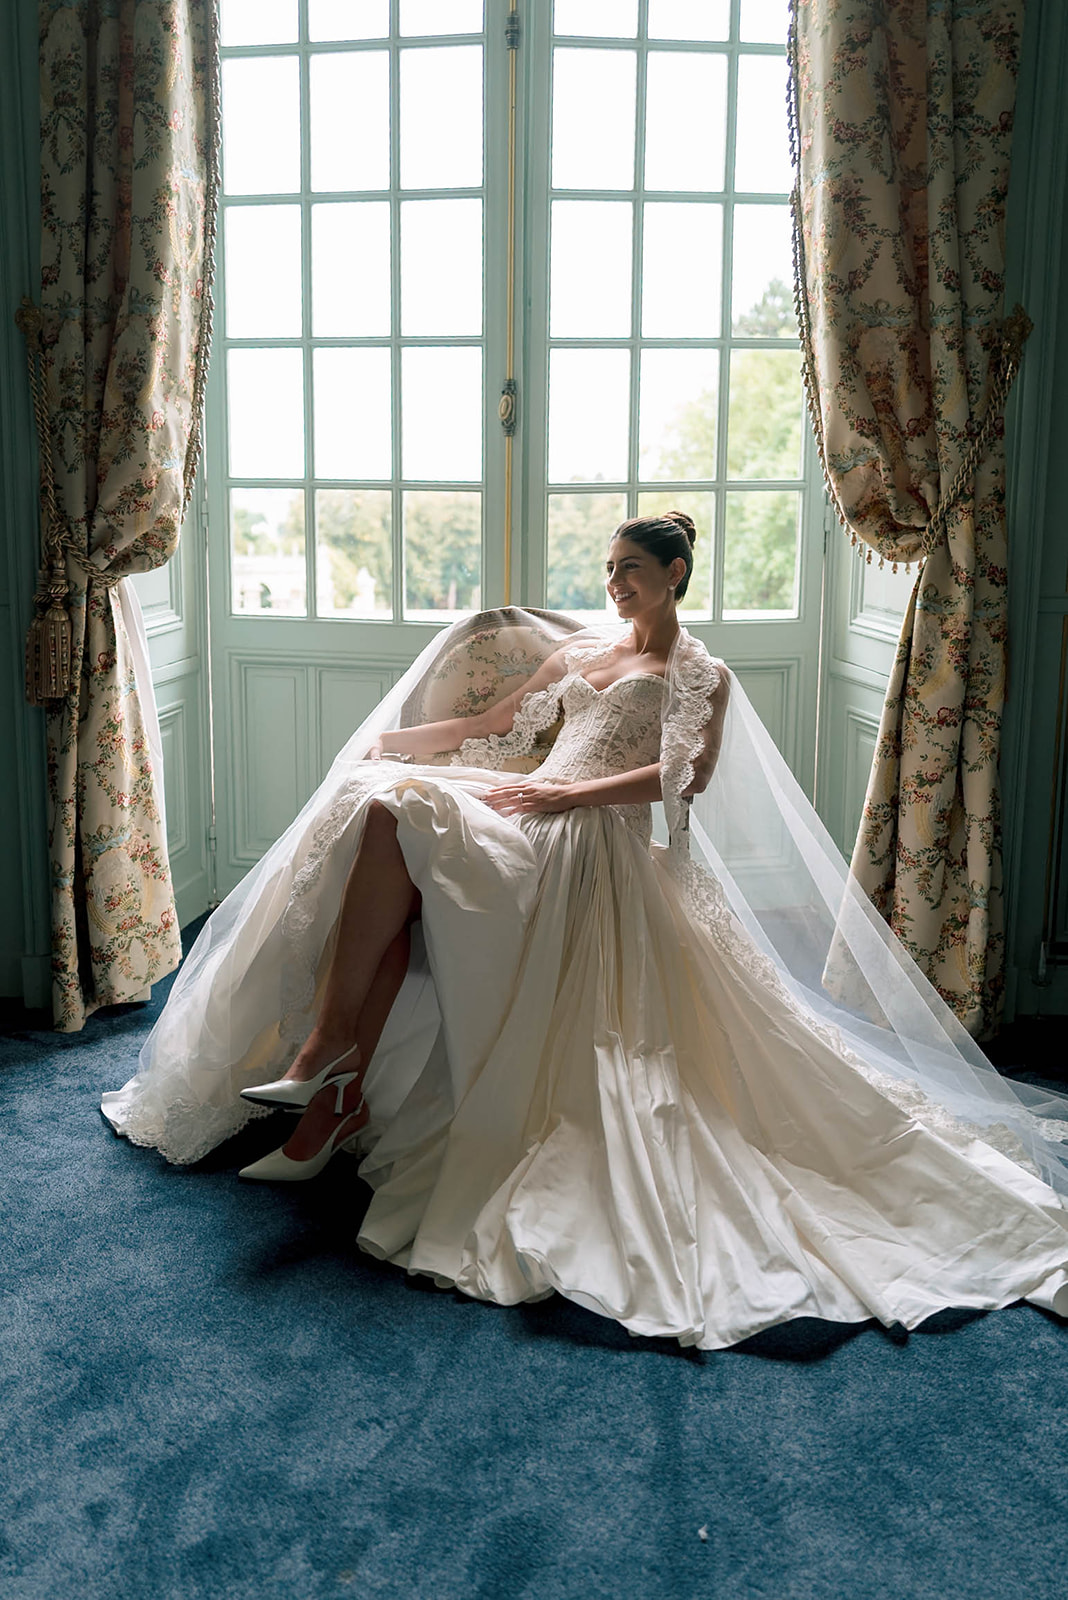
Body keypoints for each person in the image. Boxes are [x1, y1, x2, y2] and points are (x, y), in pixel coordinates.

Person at [103, 513, 1068, 1350]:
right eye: (608, 570)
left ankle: (330, 1073)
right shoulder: (584, 653)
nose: (614, 585)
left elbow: (681, 778)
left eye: (630, 571)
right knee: (381, 797)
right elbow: (492, 721)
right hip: (525, 806)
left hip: (594, 837)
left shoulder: (698, 672)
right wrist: (389, 742)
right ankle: (327, 1062)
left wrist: (569, 795)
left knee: (395, 817)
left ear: (674, 576)